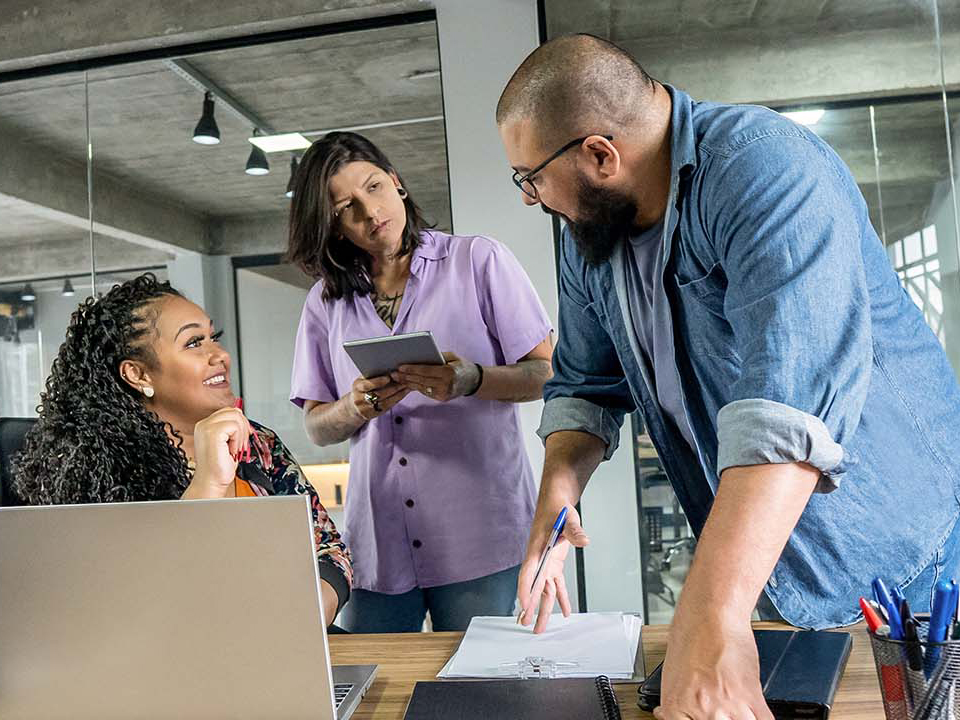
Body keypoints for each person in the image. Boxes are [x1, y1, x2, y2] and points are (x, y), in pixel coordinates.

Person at [496, 34, 960, 720]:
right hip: (767, 563)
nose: (531, 198)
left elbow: (789, 407)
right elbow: (584, 386)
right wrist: (556, 502)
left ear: (600, 153)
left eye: (528, 177)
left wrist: (708, 617)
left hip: (905, 559)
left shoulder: (763, 167)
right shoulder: (590, 234)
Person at [286, 131, 554, 633]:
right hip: (379, 547)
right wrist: (354, 406)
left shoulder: (479, 261)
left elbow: (545, 372)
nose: (369, 212)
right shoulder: (325, 302)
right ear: (333, 226)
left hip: (481, 535)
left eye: (374, 188)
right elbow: (317, 428)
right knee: (375, 694)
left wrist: (470, 380)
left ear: (398, 182)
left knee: (488, 695)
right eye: (347, 207)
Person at [12, 273, 352, 626]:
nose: (219, 354)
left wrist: (310, 611)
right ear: (138, 374)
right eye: (194, 343)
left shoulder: (257, 442)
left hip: (288, 640)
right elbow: (133, 604)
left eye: (213, 337)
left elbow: (329, 547)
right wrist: (208, 483)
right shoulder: (96, 469)